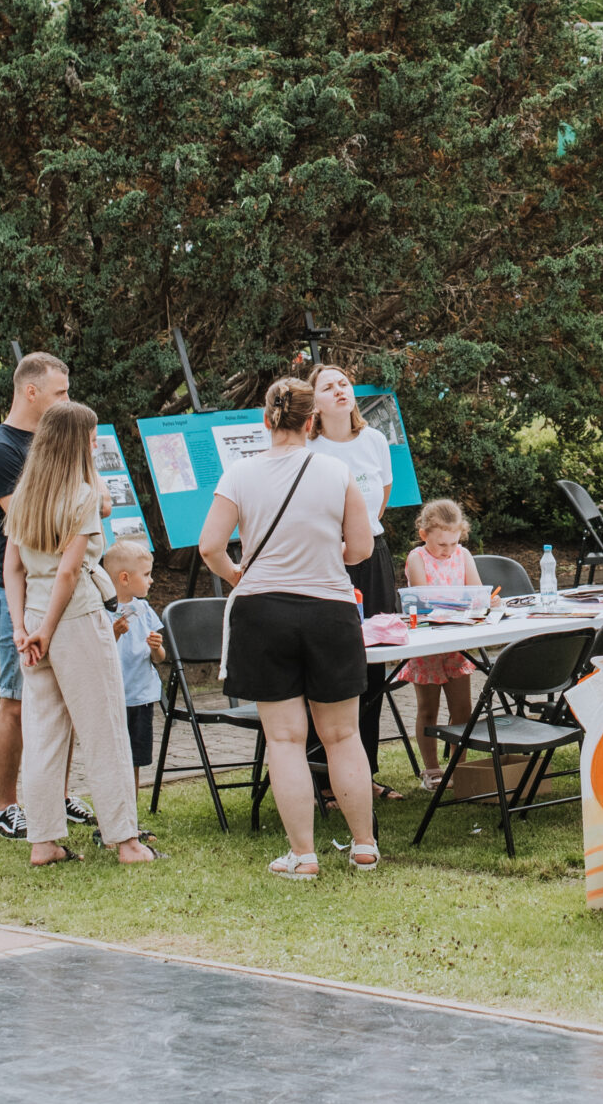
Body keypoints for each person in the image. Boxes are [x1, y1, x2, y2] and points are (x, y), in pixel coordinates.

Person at [199, 377, 377, 879]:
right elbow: (361, 550)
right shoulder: (336, 471)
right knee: (343, 735)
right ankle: (364, 846)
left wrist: (239, 575)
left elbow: (210, 546)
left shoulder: (240, 473)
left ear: (266, 419)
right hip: (330, 610)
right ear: (311, 421)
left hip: (263, 612)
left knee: (284, 740)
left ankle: (303, 855)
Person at [2, 399, 154, 867]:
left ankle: (43, 841)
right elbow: (69, 572)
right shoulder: (82, 495)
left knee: (44, 732)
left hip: (33, 616)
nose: (95, 445)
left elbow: (12, 568)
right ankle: (125, 840)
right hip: (74, 618)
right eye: (90, 439)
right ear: (74, 444)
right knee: (104, 727)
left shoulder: (24, 494)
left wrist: (22, 628)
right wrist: (48, 630)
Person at [0, 351, 74, 841]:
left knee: (66, 699)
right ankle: (5, 806)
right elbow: (32, 521)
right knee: (14, 701)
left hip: (61, 589)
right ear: (30, 392)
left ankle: (56, 795)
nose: (68, 402)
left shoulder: (56, 439)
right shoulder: (0, 451)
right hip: (17, 591)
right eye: (60, 393)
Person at [306, 363, 404, 803]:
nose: (340, 390)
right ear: (314, 403)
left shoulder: (374, 440)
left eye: (344, 383)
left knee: (373, 663)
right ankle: (323, 777)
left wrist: (361, 540)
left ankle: (364, 773)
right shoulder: (310, 448)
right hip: (328, 559)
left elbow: (380, 498)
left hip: (372, 554)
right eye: (328, 387)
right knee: (330, 664)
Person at [401, 498, 482, 789]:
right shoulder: (417, 558)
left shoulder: (463, 555)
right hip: (428, 643)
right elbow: (424, 597)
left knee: (462, 709)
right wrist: (461, 601)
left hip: (456, 641)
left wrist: (485, 600)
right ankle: (432, 770)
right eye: (441, 545)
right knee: (428, 709)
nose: (448, 551)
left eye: (453, 543)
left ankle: (458, 768)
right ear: (424, 535)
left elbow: (476, 592)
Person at [101, 542, 165, 789]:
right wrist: (115, 633)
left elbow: (159, 658)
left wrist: (156, 647)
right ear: (125, 578)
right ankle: (112, 806)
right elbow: (99, 653)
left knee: (135, 761)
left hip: (141, 697)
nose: (151, 580)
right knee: (111, 759)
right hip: (113, 699)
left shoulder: (144, 609)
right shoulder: (102, 612)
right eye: (146, 574)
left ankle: (131, 808)